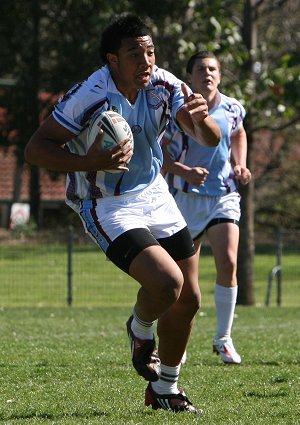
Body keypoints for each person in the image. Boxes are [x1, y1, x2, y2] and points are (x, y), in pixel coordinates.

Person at [25, 16, 221, 414]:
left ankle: (166, 389)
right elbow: (35, 149)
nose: (147, 61)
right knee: (167, 284)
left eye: (150, 51)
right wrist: (90, 160)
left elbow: (208, 139)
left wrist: (203, 119)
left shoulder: (165, 85)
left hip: (154, 193)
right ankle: (139, 329)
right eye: (136, 54)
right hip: (105, 201)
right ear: (113, 59)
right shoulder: (89, 94)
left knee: (190, 299)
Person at [162, 51, 252, 365]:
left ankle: (224, 339)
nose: (208, 74)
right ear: (190, 77)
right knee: (185, 282)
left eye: (213, 68)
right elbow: (158, 156)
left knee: (228, 261)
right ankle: (177, 341)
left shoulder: (233, 108)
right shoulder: (179, 112)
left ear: (220, 75)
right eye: (201, 69)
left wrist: (240, 165)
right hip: (185, 200)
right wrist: (183, 171)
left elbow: (239, 133)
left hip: (223, 196)